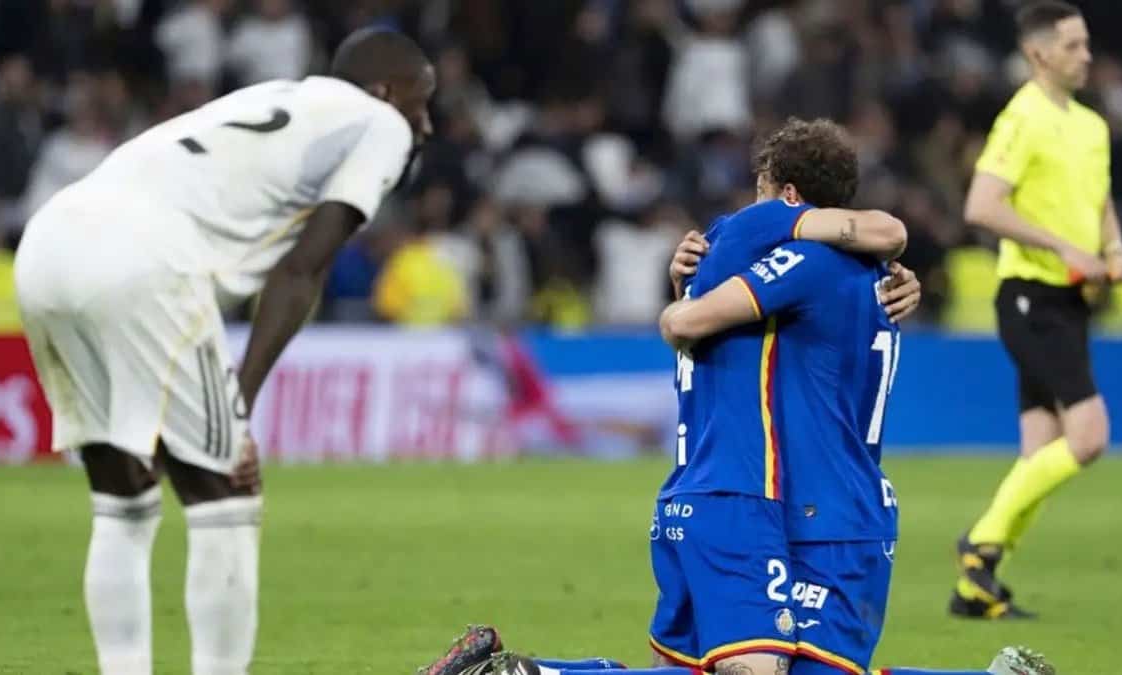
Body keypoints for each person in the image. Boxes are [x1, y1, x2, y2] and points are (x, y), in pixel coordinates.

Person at [418, 120, 1052, 675]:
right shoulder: (859, 275)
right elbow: (884, 234)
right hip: (798, 501)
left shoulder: (773, 247)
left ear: (788, 194)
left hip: (750, 494)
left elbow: (706, 311)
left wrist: (677, 307)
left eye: (760, 187)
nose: (752, 203)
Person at [12, 29, 434, 675]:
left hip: (48, 242)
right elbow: (300, 272)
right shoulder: (381, 123)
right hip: (142, 255)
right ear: (384, 91)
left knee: (123, 499)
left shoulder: (270, 97)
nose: (425, 125)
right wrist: (245, 397)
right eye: (420, 102)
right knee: (228, 497)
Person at [952, 0, 1122, 619]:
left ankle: (977, 587)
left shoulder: (1091, 126)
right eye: (1073, 46)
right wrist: (1063, 247)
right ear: (1037, 53)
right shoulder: (1022, 118)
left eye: (1086, 43)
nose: (1087, 56)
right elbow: (981, 206)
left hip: (1069, 302)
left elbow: (1099, 200)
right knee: (1089, 436)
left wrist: (1113, 248)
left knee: (1041, 452)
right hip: (1030, 295)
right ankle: (978, 544)